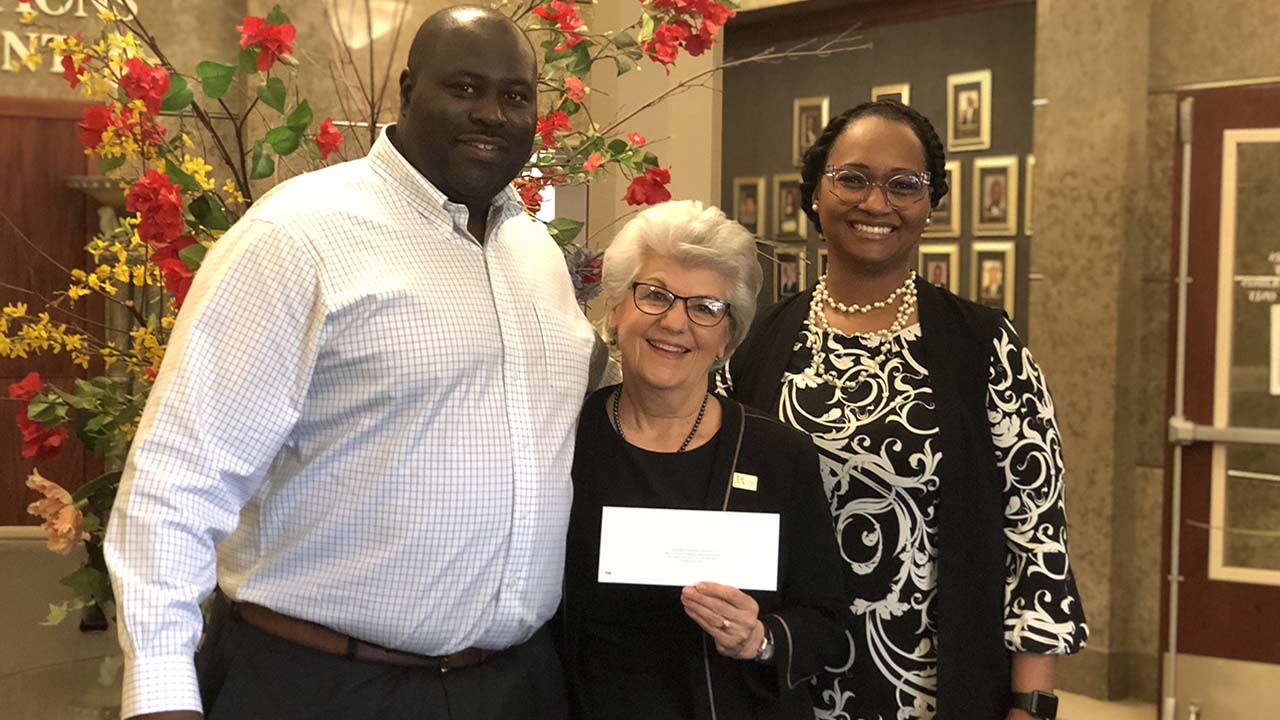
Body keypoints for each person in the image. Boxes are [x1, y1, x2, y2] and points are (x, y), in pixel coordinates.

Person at [104, 7, 597, 720]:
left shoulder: (537, 256)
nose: (491, 113)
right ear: (407, 89)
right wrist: (161, 693)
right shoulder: (297, 236)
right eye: (464, 88)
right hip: (324, 686)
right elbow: (178, 478)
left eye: (515, 96)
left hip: (515, 685)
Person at [715, 100, 1089, 719]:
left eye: (904, 185)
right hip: (778, 678)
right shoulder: (754, 345)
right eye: (852, 178)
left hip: (938, 688)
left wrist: (1032, 703)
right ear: (814, 193)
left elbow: (1037, 536)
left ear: (932, 203)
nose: (876, 203)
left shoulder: (986, 346)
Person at [559, 200, 848, 720]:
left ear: (727, 337)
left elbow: (828, 623)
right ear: (617, 310)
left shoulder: (776, 454)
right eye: (654, 295)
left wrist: (761, 638)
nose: (675, 322)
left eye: (705, 308)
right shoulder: (565, 438)